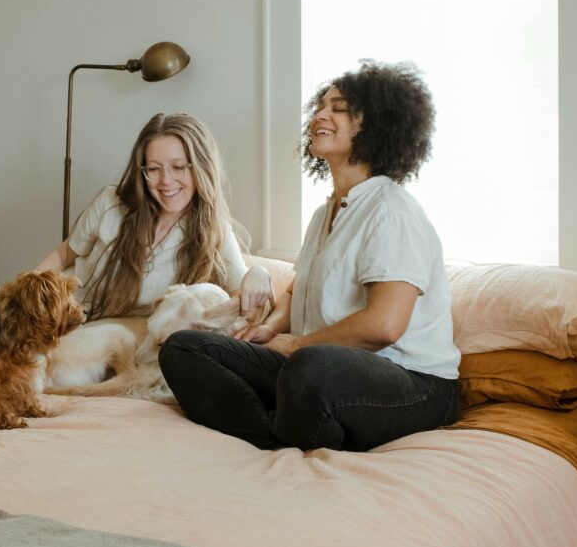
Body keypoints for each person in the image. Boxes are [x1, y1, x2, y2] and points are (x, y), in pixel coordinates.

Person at [159, 61, 460, 452]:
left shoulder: (391, 210)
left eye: (338, 107)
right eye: (320, 106)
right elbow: (296, 289)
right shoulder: (325, 214)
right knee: (184, 348)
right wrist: (269, 329)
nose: (320, 114)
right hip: (315, 367)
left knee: (310, 368)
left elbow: (385, 325)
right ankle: (275, 434)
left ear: (374, 124)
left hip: (412, 385)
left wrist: (296, 346)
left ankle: (289, 421)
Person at [10, 112, 273, 322]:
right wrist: (17, 291)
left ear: (201, 168)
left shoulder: (213, 230)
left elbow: (243, 294)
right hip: (65, 319)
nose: (166, 181)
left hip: (124, 339)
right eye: (154, 169)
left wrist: (260, 273)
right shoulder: (110, 204)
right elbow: (64, 254)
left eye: (179, 167)